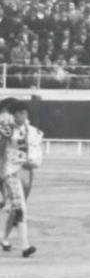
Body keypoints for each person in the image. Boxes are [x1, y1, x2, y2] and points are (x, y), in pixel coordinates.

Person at [0, 100, 42, 257]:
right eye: (20, 113)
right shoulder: (6, 131)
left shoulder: (32, 131)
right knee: (21, 208)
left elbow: (36, 152)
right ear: (14, 115)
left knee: (15, 209)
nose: (23, 116)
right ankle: (25, 246)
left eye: (25, 113)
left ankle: (4, 238)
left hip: (26, 173)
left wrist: (34, 164)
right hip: (10, 172)